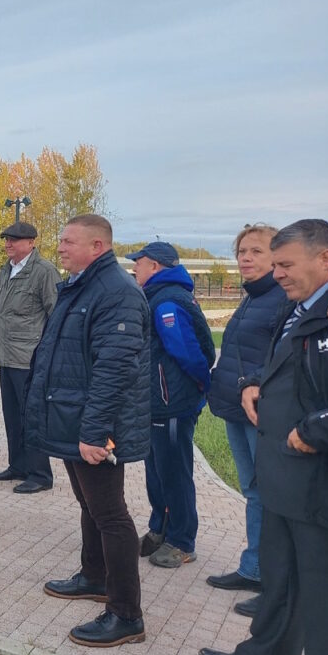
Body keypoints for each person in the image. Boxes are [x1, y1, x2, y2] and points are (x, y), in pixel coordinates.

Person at [200, 219, 328, 655]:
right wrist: (256, 384)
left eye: (285, 264)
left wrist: (315, 430)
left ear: (325, 259)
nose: (276, 274)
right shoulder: (297, 307)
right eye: (273, 264)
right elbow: (283, 364)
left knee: (319, 599)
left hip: (315, 480)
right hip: (284, 474)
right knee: (283, 581)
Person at [25, 214, 150, 648]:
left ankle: (125, 613)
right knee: (89, 504)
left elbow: (114, 370)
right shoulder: (82, 285)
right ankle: (94, 576)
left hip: (94, 427)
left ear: (97, 247)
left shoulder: (116, 292)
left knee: (111, 514)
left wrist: (95, 433)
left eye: (67, 241)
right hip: (73, 418)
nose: (59, 247)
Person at [204, 225, 285, 611]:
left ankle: (271, 576)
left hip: (263, 414)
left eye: (256, 251)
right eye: (241, 252)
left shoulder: (281, 298)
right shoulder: (252, 297)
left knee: (269, 494)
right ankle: (253, 568)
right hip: (237, 409)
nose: (246, 258)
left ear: (277, 257)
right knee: (253, 491)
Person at [127, 242, 215, 568]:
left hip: (172, 402)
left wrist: (200, 386)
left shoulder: (167, 302)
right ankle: (159, 529)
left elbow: (189, 352)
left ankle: (182, 540)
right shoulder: (158, 297)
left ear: (155, 266)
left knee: (175, 473)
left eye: (139, 263)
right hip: (157, 401)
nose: (135, 268)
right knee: (156, 470)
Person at [0, 221, 61, 494]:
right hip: (7, 356)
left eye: (15, 239)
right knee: (12, 415)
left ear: (31, 242)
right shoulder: (5, 271)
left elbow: (56, 315)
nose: (8, 243)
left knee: (32, 416)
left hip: (30, 358)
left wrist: (47, 355)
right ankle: (18, 465)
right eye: (6, 239)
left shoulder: (44, 272)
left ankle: (40, 474)